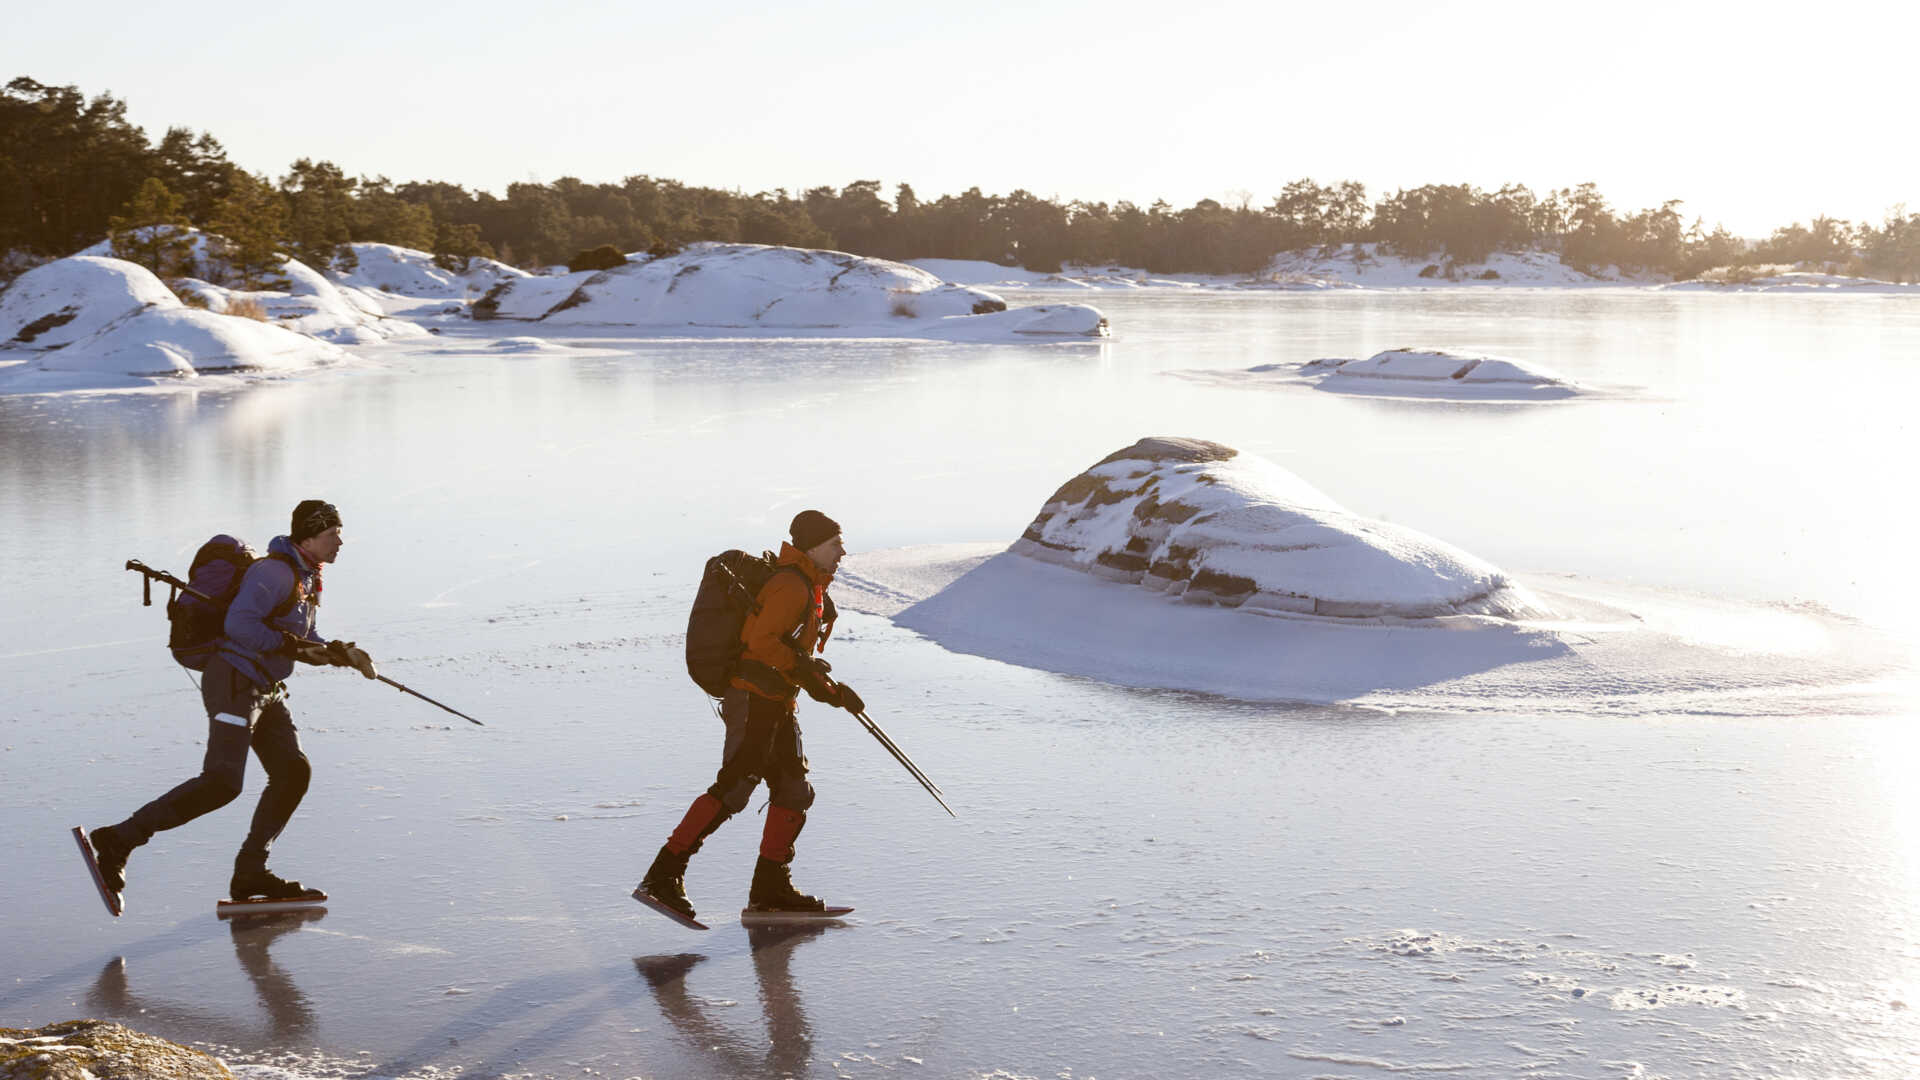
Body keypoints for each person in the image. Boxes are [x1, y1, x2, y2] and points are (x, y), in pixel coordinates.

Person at [80, 500, 377, 912]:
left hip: (266, 686)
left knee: (292, 772)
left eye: (338, 533)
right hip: (235, 681)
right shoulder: (273, 572)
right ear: (308, 536)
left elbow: (293, 631)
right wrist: (294, 647)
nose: (339, 542)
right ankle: (119, 839)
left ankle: (251, 872)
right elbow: (241, 626)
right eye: (332, 534)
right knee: (222, 781)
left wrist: (339, 651)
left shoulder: (307, 575)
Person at [637, 510, 865, 925]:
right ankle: (663, 876)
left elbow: (790, 655)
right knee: (736, 786)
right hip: (754, 700)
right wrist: (806, 672)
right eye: (835, 544)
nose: (842, 551)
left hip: (776, 700)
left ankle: (770, 891)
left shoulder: (808, 586)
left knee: (793, 788)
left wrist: (826, 689)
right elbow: (759, 644)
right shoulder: (790, 585)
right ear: (812, 547)